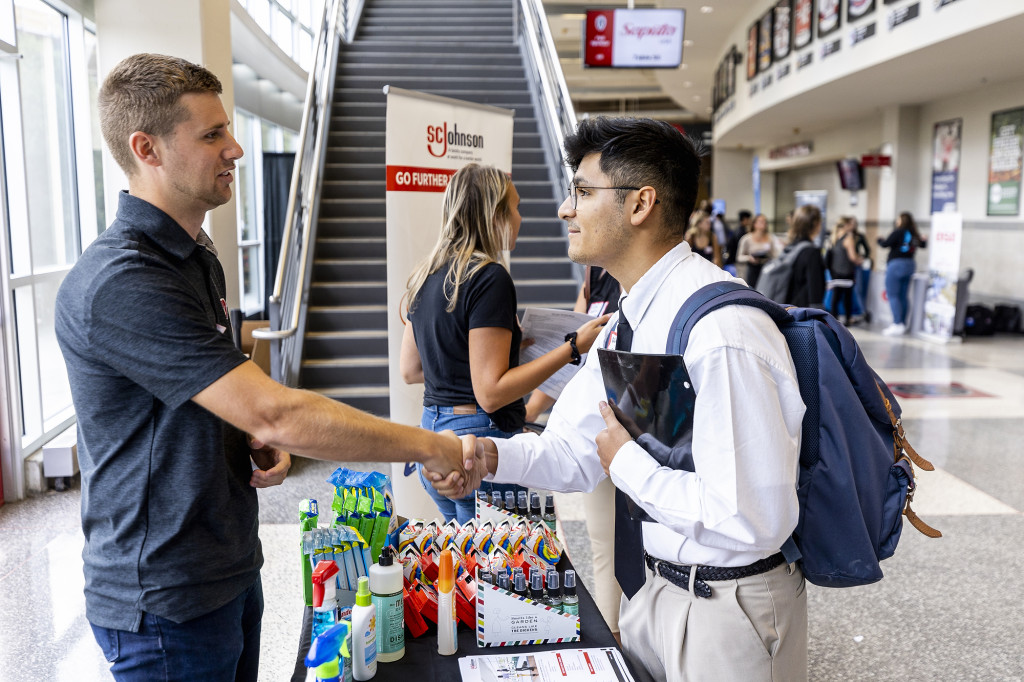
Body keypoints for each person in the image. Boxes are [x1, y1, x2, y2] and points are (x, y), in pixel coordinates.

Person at [54, 54, 472, 682]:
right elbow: (275, 410)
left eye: (228, 129)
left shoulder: (196, 256)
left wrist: (242, 437)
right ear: (148, 149)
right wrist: (429, 445)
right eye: (212, 134)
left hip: (225, 567)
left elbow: (210, 392)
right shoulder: (124, 281)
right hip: (165, 599)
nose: (237, 147)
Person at [425, 117, 807, 681]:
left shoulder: (724, 332)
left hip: (730, 609)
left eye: (582, 190)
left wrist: (625, 462)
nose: (563, 209)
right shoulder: (626, 321)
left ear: (640, 204)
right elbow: (570, 454)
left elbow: (750, 518)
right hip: (652, 588)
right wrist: (488, 456)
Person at [399, 163, 609, 524]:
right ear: (493, 214)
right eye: (514, 208)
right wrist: (574, 347)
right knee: (500, 572)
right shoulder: (489, 278)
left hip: (433, 435)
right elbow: (491, 393)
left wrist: (510, 350)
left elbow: (412, 370)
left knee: (466, 566)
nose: (519, 218)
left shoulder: (425, 275)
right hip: (476, 445)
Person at [521, 265, 624, 636]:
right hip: (597, 436)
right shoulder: (596, 273)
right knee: (603, 542)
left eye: (583, 201)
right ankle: (614, 641)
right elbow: (575, 362)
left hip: (642, 439)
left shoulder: (645, 277)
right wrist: (531, 412)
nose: (569, 212)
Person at [878, 211, 927, 336]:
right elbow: (922, 244)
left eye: (898, 219)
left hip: (896, 265)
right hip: (910, 265)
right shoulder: (914, 233)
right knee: (903, 296)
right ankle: (903, 323)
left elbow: (885, 244)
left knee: (893, 294)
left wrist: (879, 240)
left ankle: (897, 323)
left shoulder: (898, 232)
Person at [785, 204, 826, 308]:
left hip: (787, 308)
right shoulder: (812, 253)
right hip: (803, 312)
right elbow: (815, 291)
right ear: (816, 224)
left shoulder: (790, 247)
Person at [827, 216, 864, 325]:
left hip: (835, 272)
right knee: (847, 298)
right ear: (846, 225)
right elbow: (853, 257)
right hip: (846, 272)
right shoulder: (848, 239)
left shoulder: (834, 237)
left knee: (836, 297)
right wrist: (860, 259)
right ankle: (848, 319)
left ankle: (833, 320)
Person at [735, 212, 781, 288]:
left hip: (766, 268)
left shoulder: (770, 238)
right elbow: (739, 257)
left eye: (765, 221)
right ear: (754, 224)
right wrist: (749, 258)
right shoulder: (746, 239)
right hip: (752, 269)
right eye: (761, 221)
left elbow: (775, 255)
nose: (764, 223)